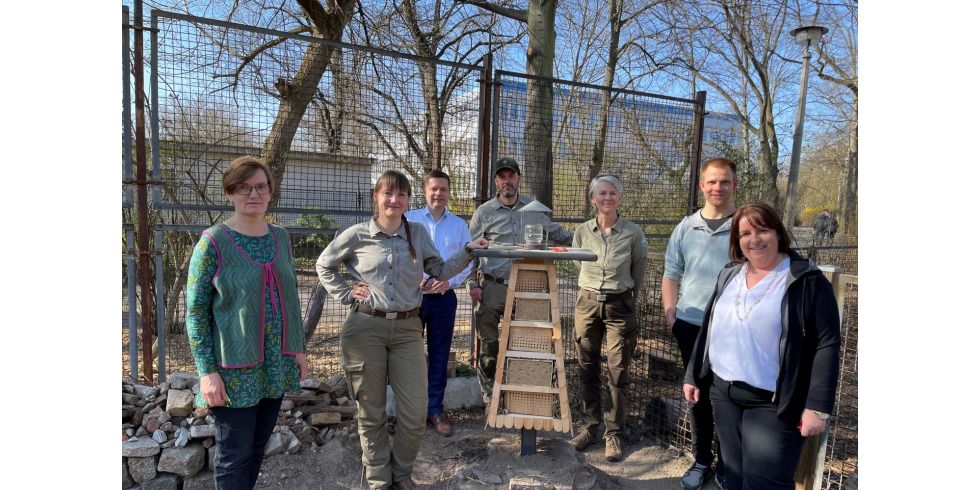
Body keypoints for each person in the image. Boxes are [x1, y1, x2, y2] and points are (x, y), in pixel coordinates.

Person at [315, 170, 487, 490]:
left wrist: (468, 250)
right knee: (371, 411)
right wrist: (344, 293)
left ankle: (402, 473)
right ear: (377, 197)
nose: (394, 200)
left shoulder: (418, 233)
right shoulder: (356, 234)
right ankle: (380, 480)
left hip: (408, 328)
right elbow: (324, 264)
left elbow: (440, 270)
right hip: (365, 328)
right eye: (388, 194)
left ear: (409, 200)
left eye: (402, 195)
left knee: (414, 412)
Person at [683, 203, 841, 490]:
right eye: (745, 233)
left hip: (774, 403)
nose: (754, 239)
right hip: (724, 393)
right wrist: (694, 373)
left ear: (778, 233)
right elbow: (710, 327)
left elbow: (827, 343)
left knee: (765, 483)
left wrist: (817, 406)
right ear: (737, 241)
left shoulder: (806, 281)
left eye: (762, 230)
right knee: (732, 476)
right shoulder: (730, 274)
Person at [184, 156, 308, 490]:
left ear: (270, 192)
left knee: (257, 446)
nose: (253, 193)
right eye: (244, 187)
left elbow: (291, 297)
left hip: (274, 364)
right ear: (230, 192)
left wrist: (296, 349)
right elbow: (195, 313)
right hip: (232, 371)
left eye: (260, 186)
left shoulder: (281, 237)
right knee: (233, 453)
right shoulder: (213, 242)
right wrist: (207, 372)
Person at [662, 157, 737, 490]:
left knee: (729, 395)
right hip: (690, 324)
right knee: (697, 394)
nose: (717, 187)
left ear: (734, 184)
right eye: (712, 181)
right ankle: (702, 460)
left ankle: (728, 464)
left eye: (724, 181)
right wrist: (670, 311)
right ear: (702, 186)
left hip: (733, 326)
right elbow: (671, 273)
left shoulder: (744, 226)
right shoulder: (685, 227)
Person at [467, 157, 573, 381]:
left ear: (519, 179)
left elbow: (560, 235)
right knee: (489, 348)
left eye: (511, 176)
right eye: (502, 176)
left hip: (527, 288)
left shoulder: (534, 210)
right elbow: (470, 251)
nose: (507, 181)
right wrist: (473, 283)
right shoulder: (484, 213)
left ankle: (517, 393)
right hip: (492, 287)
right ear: (496, 181)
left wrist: (591, 236)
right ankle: (489, 399)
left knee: (525, 341)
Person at [568, 174, 648, 462]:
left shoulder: (633, 233)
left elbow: (638, 270)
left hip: (619, 306)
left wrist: (625, 298)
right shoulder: (582, 232)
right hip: (587, 303)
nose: (607, 198)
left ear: (619, 197)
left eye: (612, 193)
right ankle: (589, 427)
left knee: (618, 370)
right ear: (593, 199)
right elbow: (578, 263)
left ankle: (613, 433)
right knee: (586, 366)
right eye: (601, 193)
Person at [404, 169, 473, 437]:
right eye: (433, 188)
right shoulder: (408, 220)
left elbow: (469, 259)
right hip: (413, 299)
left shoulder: (459, 225)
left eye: (443, 189)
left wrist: (450, 281)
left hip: (444, 299)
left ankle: (435, 410)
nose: (438, 194)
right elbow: (399, 255)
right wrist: (415, 279)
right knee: (408, 356)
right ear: (424, 191)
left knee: (439, 355)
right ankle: (411, 412)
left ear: (448, 192)